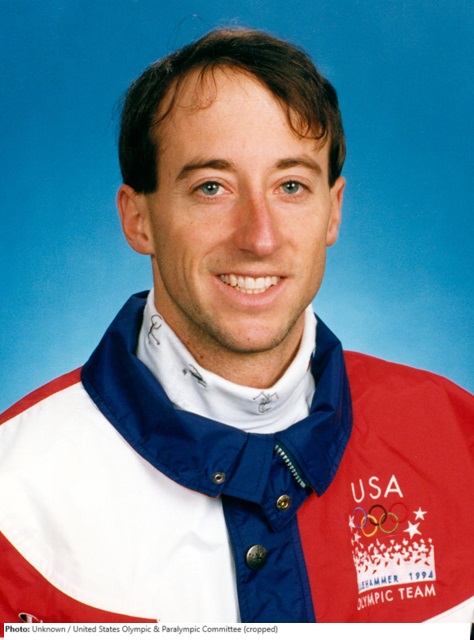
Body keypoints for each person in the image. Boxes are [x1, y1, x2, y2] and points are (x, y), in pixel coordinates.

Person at [0, 27, 473, 625]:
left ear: (333, 210)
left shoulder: (458, 442)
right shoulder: (14, 500)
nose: (259, 237)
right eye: (212, 187)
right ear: (138, 218)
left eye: (291, 186)